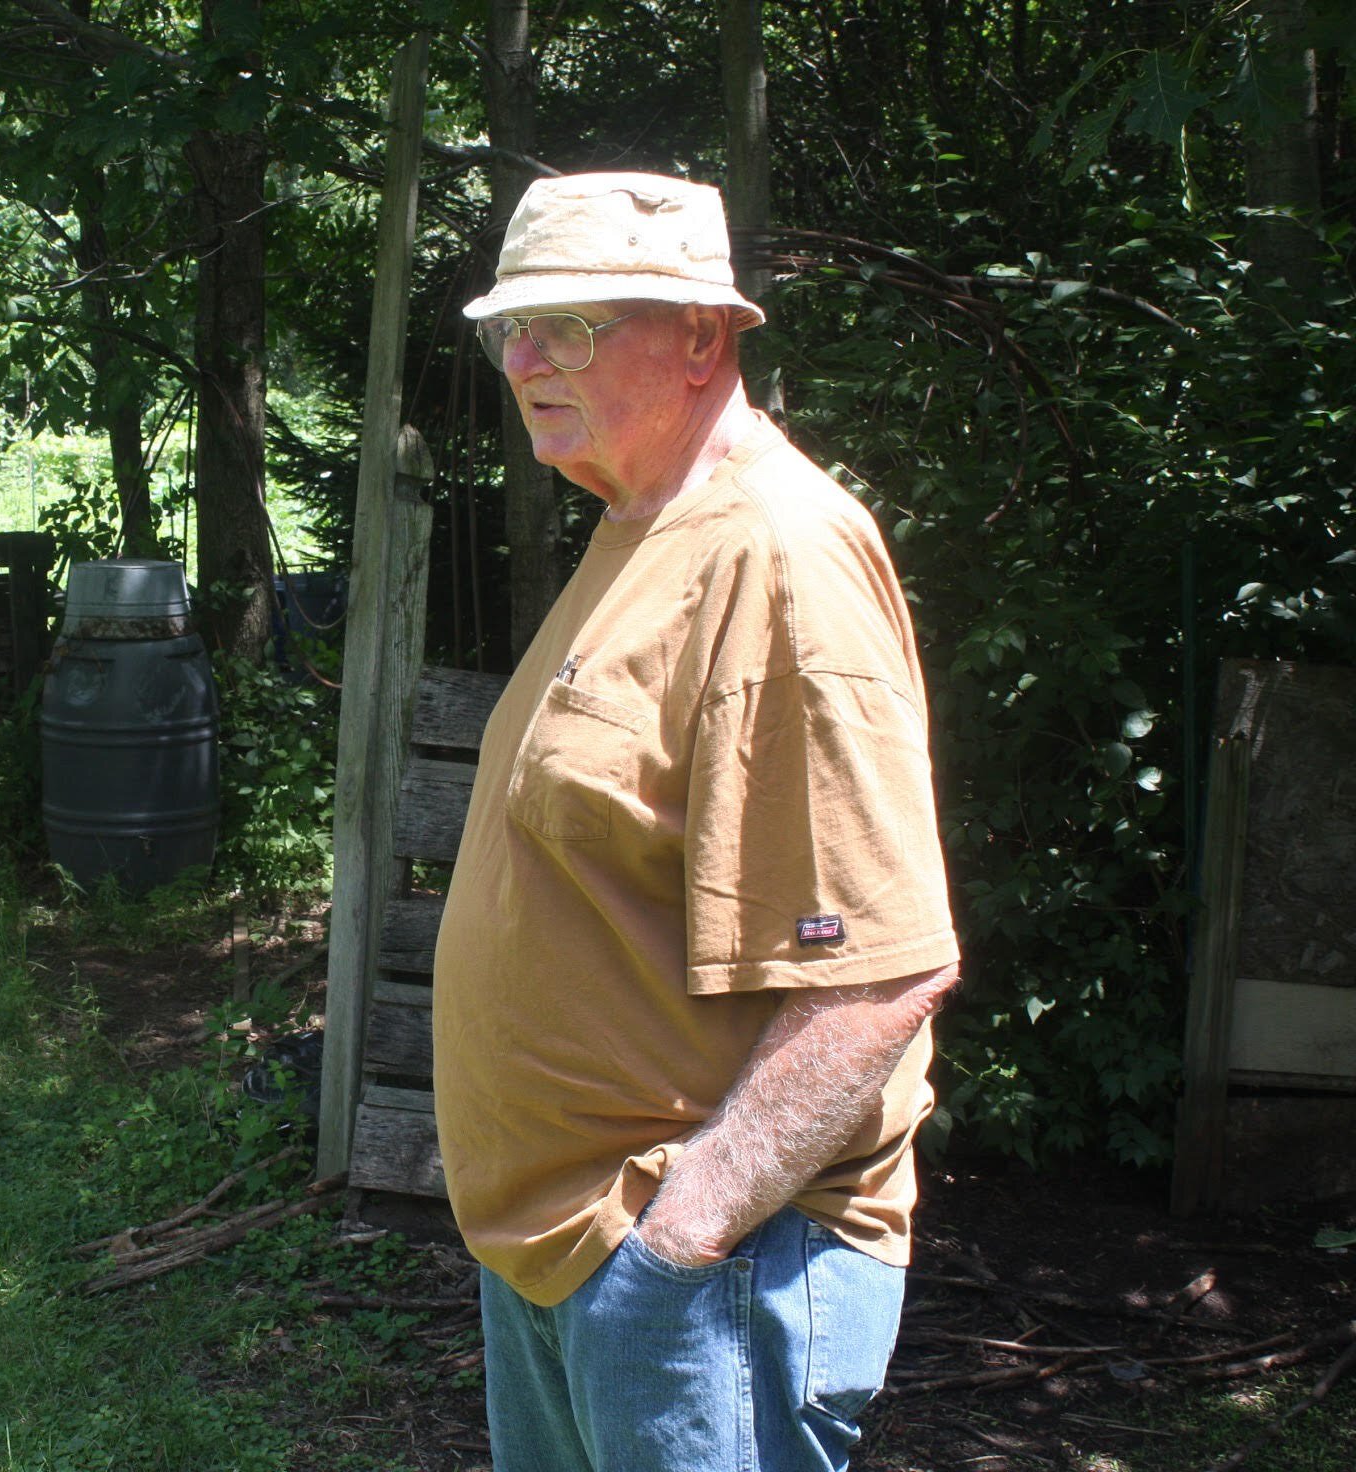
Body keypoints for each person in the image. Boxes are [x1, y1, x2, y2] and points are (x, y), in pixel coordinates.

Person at [431, 172, 962, 1472]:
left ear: (706, 337)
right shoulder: (639, 527)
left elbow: (877, 971)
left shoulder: (779, 554)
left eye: (578, 323)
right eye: (514, 326)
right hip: (573, 1256)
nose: (530, 358)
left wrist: (673, 1246)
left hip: (698, 1277)